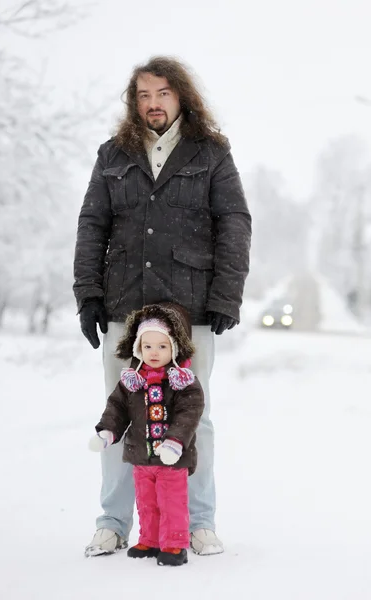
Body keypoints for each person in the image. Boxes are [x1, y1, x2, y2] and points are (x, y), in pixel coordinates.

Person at [73, 55, 251, 557]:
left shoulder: (210, 153)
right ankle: (111, 521)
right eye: (144, 95)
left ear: (181, 97)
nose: (153, 104)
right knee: (117, 412)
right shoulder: (113, 154)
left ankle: (198, 522)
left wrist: (225, 296)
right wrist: (88, 294)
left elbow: (234, 223)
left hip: (190, 308)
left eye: (163, 94)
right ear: (135, 102)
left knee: (195, 416)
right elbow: (92, 225)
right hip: (123, 305)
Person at [89, 302, 204, 567]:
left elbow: (189, 413)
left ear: (174, 347)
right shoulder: (132, 381)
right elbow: (116, 408)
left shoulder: (183, 382)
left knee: (171, 501)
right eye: (147, 346)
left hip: (171, 458)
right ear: (138, 348)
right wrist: (108, 431)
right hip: (141, 455)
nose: (154, 353)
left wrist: (175, 441)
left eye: (162, 346)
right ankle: (150, 539)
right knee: (147, 501)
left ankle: (174, 544)